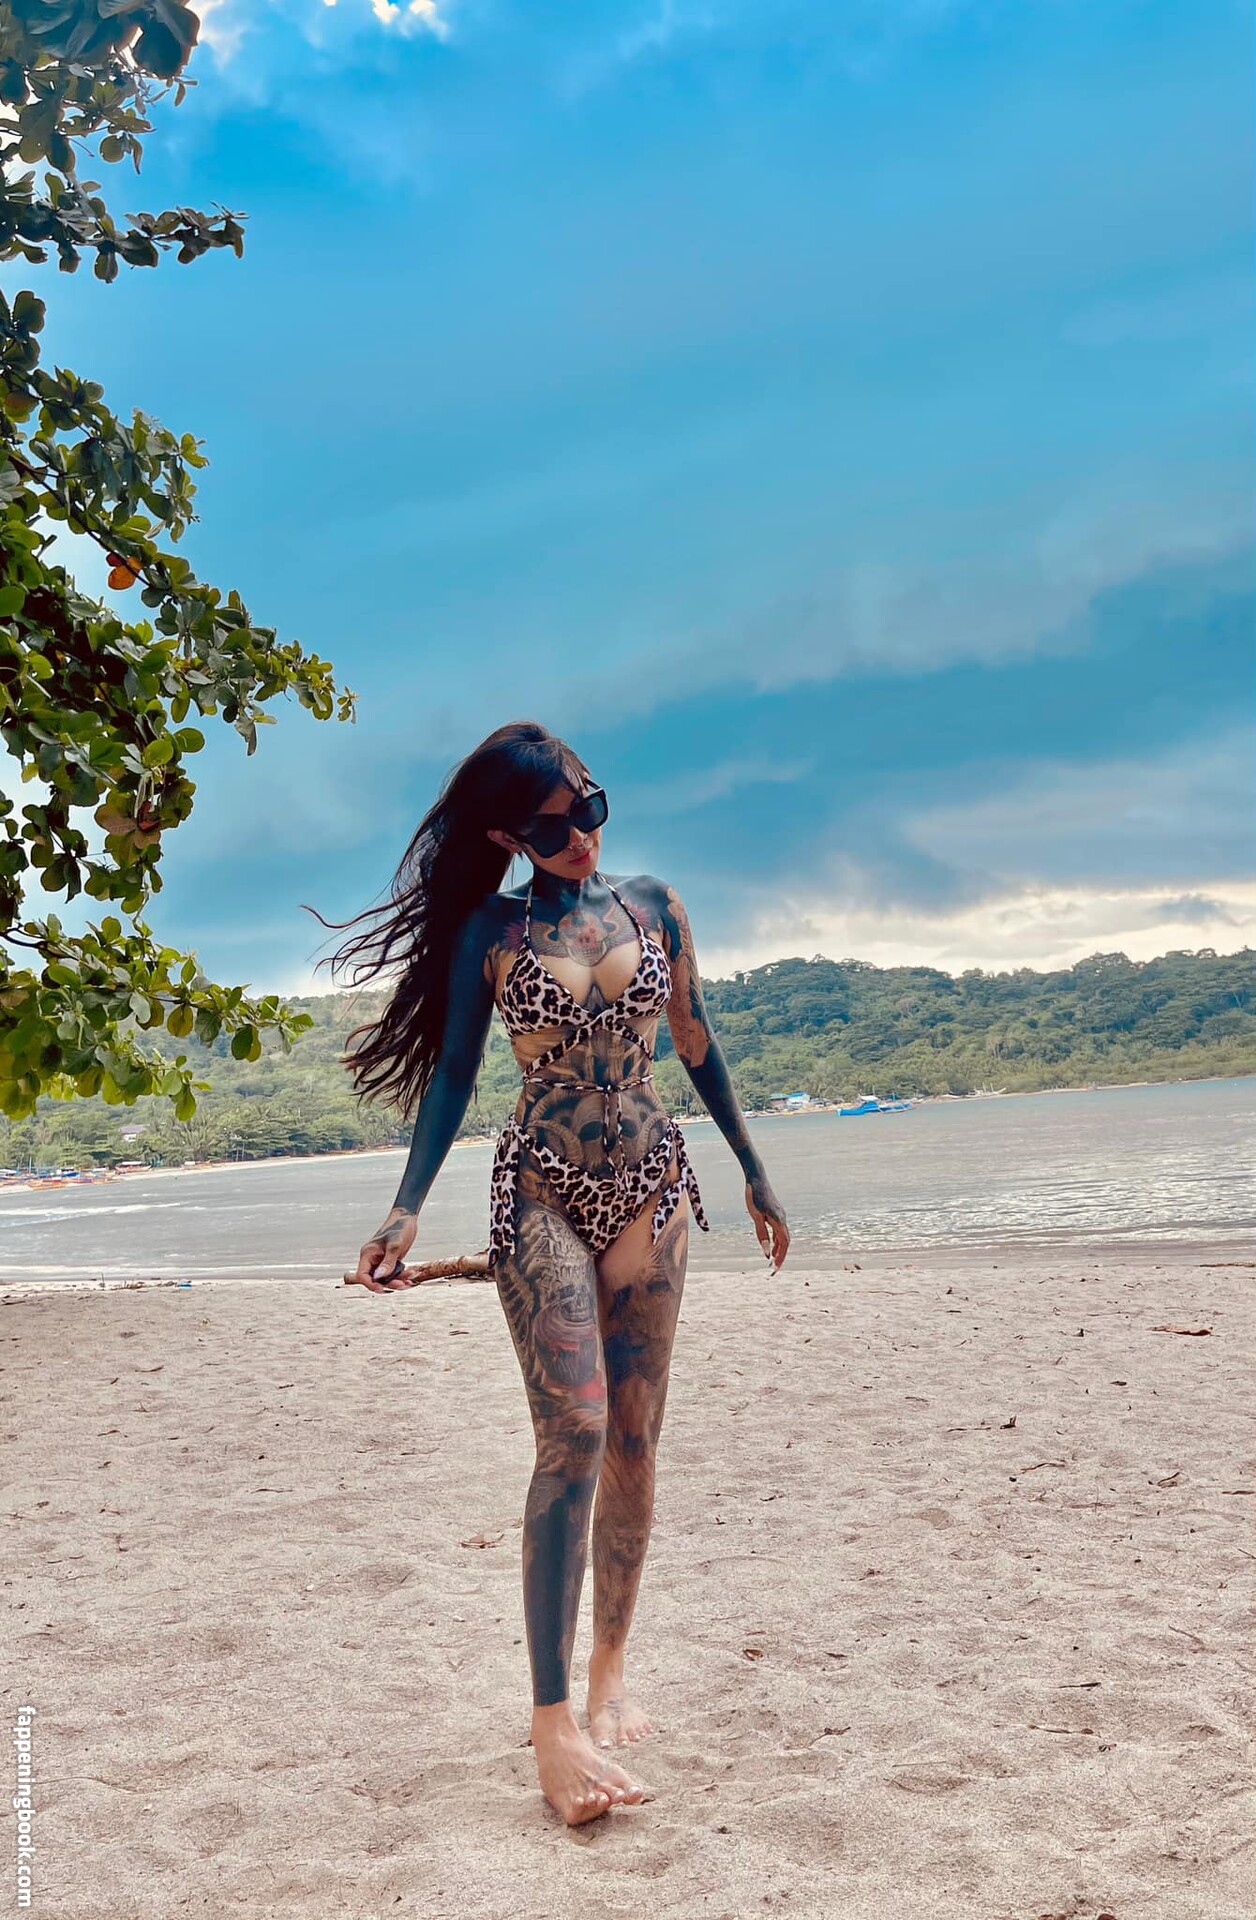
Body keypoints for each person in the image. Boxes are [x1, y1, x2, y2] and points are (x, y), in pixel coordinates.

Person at [328, 721, 790, 1825]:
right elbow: (452, 1076)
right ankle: (552, 1723)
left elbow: (694, 1039)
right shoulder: (491, 929)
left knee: (632, 1437)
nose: (581, 834)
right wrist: (404, 1207)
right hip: (540, 1189)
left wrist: (753, 1170)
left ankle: (610, 1670)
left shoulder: (654, 906)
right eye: (552, 826)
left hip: (651, 1186)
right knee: (573, 1431)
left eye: (591, 806)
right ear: (505, 837)